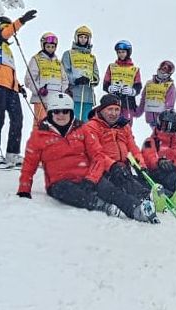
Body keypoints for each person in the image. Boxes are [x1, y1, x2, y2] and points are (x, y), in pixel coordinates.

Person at [17, 92, 156, 221]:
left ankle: (135, 208)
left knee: (107, 188)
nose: (61, 115)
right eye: (56, 111)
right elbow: (29, 164)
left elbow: (97, 155)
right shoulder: (40, 136)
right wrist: (24, 189)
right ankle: (103, 206)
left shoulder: (80, 131)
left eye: (65, 111)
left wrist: (91, 178)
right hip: (59, 181)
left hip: (84, 174)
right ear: (50, 113)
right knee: (70, 192)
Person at [81, 92, 158, 220]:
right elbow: (95, 153)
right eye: (110, 109)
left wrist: (141, 165)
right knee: (119, 186)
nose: (114, 113)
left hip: (123, 168)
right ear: (102, 109)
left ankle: (162, 197)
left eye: (117, 109)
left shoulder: (124, 126)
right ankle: (141, 202)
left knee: (139, 180)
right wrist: (112, 166)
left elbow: (133, 149)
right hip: (104, 169)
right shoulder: (91, 127)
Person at [0, 10, 37, 165]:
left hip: (11, 87)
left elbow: (8, 70)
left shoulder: (7, 49)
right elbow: (5, 34)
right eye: (6, 27)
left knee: (17, 119)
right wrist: (21, 20)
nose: (11, 32)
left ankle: (12, 153)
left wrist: (18, 85)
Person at [140, 109, 176, 209]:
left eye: (172, 126)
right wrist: (159, 162)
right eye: (165, 125)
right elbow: (149, 156)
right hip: (157, 175)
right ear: (159, 124)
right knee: (168, 175)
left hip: (175, 177)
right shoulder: (151, 141)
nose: (167, 129)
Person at [25, 32, 66, 123]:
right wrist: (39, 90)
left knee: (55, 126)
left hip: (56, 101)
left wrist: (63, 93)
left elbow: (64, 81)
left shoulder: (58, 63)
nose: (50, 49)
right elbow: (29, 79)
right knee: (41, 124)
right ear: (43, 46)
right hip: (41, 99)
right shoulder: (36, 59)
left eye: (52, 47)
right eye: (48, 46)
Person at [62, 25, 100, 122]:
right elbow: (64, 72)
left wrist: (90, 80)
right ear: (76, 38)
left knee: (86, 124)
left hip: (88, 97)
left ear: (88, 39)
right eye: (81, 37)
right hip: (73, 95)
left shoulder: (92, 57)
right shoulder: (69, 54)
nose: (83, 39)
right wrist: (76, 80)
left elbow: (96, 76)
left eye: (85, 37)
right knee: (73, 122)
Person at [103, 40, 142, 124]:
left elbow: (138, 86)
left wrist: (132, 91)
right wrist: (109, 88)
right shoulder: (112, 67)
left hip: (128, 102)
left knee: (126, 125)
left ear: (128, 53)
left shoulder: (134, 69)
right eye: (119, 52)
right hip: (113, 100)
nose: (121, 54)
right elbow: (105, 83)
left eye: (123, 52)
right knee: (112, 123)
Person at [138, 60, 176, 129]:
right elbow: (143, 100)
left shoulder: (170, 86)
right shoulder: (149, 83)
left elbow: (170, 104)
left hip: (162, 120)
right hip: (151, 118)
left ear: (169, 73)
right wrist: (137, 113)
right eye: (162, 68)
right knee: (155, 134)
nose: (163, 71)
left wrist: (167, 118)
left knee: (159, 134)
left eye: (166, 70)